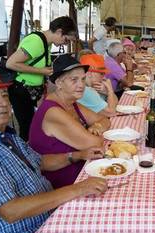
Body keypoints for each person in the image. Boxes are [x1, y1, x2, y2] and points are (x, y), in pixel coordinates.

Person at [0, 63, 108, 233]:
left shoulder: (3, 133)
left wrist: (77, 155)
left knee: (97, 216)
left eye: (4, 95)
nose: (4, 103)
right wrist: (78, 189)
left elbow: (39, 161)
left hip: (45, 221)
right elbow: (11, 210)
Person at [29, 54, 111, 189]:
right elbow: (94, 144)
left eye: (83, 79)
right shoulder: (53, 111)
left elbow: (105, 120)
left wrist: (97, 126)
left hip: (83, 168)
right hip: (62, 182)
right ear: (59, 83)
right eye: (74, 80)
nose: (81, 85)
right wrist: (94, 134)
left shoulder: (71, 103)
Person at [6, 16, 77, 141]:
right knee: (27, 128)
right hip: (21, 90)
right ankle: (26, 156)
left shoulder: (46, 43)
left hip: (31, 91)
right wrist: (41, 71)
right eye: (66, 40)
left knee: (34, 125)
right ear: (59, 31)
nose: (65, 44)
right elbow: (11, 63)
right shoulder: (36, 42)